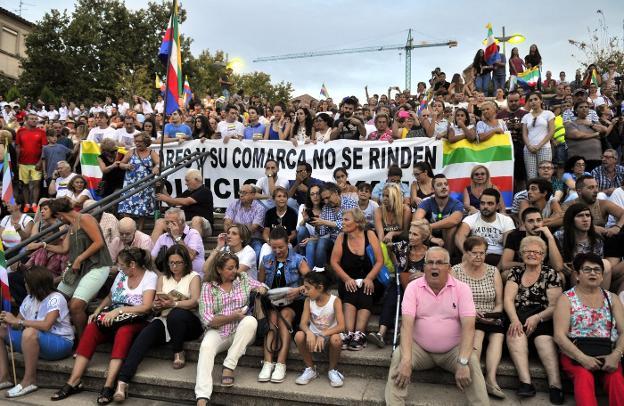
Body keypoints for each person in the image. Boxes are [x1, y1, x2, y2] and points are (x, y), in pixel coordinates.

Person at [51, 248, 156, 404]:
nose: (118, 268)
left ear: (132, 264)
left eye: (121, 265)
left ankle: (108, 385)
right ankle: (74, 380)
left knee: (124, 332)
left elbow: (146, 306)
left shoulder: (150, 276)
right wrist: (98, 311)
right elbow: (110, 296)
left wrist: (119, 311)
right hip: (114, 317)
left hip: (136, 319)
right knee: (92, 327)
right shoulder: (122, 275)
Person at [385, 247, 488, 405]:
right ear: (424, 267)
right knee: (399, 356)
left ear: (449, 267)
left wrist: (462, 362)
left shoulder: (462, 289)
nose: (434, 267)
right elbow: (406, 326)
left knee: (471, 360)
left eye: (440, 263)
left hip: (453, 351)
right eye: (430, 262)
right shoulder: (413, 288)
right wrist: (406, 360)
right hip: (420, 350)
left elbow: (469, 328)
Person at [113, 245, 202, 403]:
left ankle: (178, 351)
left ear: (186, 262)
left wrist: (173, 304)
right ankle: (122, 381)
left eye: (178, 263)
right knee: (145, 335)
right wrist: (156, 305)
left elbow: (194, 301)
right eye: (171, 263)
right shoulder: (162, 278)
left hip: (189, 322)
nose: (174, 266)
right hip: (165, 319)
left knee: (176, 314)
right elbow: (156, 303)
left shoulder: (194, 276)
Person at [194, 252, 266, 405]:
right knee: (206, 347)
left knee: (250, 321)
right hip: (219, 330)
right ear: (219, 269)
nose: (234, 271)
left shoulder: (243, 279)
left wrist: (261, 291)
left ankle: (229, 365)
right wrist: (232, 317)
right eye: (230, 268)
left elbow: (262, 286)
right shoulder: (208, 286)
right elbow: (208, 319)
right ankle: (202, 396)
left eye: (235, 267)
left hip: (242, 330)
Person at [553, 253, 624, 406]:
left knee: (616, 378)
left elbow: (623, 331)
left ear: (602, 276)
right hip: (575, 353)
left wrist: (616, 355)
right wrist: (582, 358)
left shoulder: (612, 298)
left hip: (607, 351)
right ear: (577, 275)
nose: (593, 273)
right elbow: (559, 336)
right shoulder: (567, 299)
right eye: (587, 269)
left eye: (597, 270)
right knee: (583, 376)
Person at [504, 236, 564, 402]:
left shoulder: (550, 274)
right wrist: (515, 320)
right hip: (518, 314)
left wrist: (537, 317)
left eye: (536, 252)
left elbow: (554, 306)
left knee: (544, 341)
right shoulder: (515, 272)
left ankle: (555, 384)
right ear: (521, 254)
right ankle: (526, 383)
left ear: (543, 255)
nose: (531, 254)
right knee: (514, 333)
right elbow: (508, 300)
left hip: (543, 317)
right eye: (527, 251)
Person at [0, 266, 74, 398]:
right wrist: (8, 320)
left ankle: (29, 381)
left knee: (29, 332)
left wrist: (19, 323)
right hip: (35, 342)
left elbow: (46, 325)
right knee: (1, 330)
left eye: (26, 282)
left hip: (60, 343)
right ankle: (4, 377)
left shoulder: (56, 298)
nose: (25, 285)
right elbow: (17, 323)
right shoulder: (29, 298)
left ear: (35, 284)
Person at [47, 198, 113, 338]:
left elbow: (99, 242)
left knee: (75, 306)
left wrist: (79, 258)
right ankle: (62, 332)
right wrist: (43, 245)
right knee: (57, 298)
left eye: (57, 217)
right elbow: (64, 249)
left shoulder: (85, 218)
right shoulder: (71, 226)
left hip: (97, 266)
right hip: (80, 269)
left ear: (59, 214)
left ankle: (83, 341)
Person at [451, 237, 505, 399]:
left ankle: (491, 379)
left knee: (498, 335)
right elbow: (452, 302)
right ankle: (476, 380)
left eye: (482, 253)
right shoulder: (456, 271)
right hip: (467, 316)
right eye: (475, 253)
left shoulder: (492, 271)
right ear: (466, 253)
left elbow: (500, 303)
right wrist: (472, 313)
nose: (479, 257)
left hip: (491, 315)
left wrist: (493, 314)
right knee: (479, 334)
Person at [258, 227, 310, 383]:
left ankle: (281, 363)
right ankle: (267, 363)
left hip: (294, 302)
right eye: (274, 247)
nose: (277, 250)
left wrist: (298, 290)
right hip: (273, 302)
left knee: (284, 316)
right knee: (273, 318)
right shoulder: (266, 259)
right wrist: (261, 288)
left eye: (280, 247)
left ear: (288, 243)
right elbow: (260, 282)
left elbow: (312, 283)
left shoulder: (299, 260)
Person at [330, 208, 383, 351]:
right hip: (348, 279)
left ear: (358, 222)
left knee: (366, 290)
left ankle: (359, 334)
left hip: (370, 279)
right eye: (343, 220)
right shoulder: (342, 237)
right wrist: (347, 279)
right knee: (351, 289)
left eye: (346, 220)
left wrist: (370, 278)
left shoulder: (370, 234)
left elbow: (379, 261)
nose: (343, 223)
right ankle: (349, 333)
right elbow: (334, 262)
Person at [294, 271, 346, 387]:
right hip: (312, 340)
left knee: (336, 339)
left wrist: (323, 334)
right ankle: (310, 369)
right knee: (299, 335)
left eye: (308, 288)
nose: (305, 292)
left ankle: (332, 370)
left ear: (320, 287)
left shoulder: (335, 300)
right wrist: (309, 332)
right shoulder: (308, 301)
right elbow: (303, 324)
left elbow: (342, 326)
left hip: (328, 339)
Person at [455, 188, 515, 266]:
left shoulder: (506, 220)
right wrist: (466, 253)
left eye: (490, 203)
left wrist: (499, 267)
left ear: (497, 206)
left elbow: (508, 246)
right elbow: (459, 236)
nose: (485, 206)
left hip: (497, 257)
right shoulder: (471, 218)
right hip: (475, 256)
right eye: (482, 203)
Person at [501, 207, 564, 276]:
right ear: (524, 224)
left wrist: (550, 238)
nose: (536, 224)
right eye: (530, 221)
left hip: (543, 272)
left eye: (539, 220)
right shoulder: (514, 236)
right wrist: (530, 265)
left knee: (560, 275)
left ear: (542, 222)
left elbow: (558, 267)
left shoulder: (549, 237)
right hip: (522, 270)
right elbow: (505, 264)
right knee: (505, 274)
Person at [117, 132, 160, 230]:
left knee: (142, 210)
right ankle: (127, 228)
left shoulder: (151, 152)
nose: (137, 143)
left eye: (140, 141)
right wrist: (126, 165)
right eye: (136, 141)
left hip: (145, 186)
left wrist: (156, 167)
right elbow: (121, 164)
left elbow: (159, 162)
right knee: (126, 208)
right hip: (131, 184)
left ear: (146, 142)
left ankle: (139, 230)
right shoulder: (131, 152)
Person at [155, 168, 214, 239]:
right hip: (186, 224)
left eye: (187, 180)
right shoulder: (188, 192)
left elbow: (186, 201)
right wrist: (162, 189)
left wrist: (166, 198)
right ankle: (150, 249)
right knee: (160, 222)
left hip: (203, 226)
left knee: (196, 219)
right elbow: (172, 203)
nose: (186, 183)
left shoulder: (205, 191)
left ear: (196, 179)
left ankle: (195, 248)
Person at [414, 174, 465, 254]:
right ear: (433, 189)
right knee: (421, 221)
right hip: (429, 236)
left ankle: (448, 259)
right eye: (439, 185)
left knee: (450, 227)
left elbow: (454, 220)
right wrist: (431, 238)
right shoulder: (427, 202)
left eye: (446, 184)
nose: (444, 187)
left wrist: (429, 226)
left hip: (450, 239)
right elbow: (416, 221)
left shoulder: (456, 203)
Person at [312, 183, 358, 268]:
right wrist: (316, 224)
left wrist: (325, 222)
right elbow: (322, 232)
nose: (326, 201)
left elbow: (348, 225)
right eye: (324, 199)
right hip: (332, 240)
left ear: (336, 192)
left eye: (328, 197)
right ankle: (320, 272)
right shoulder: (326, 207)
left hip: (348, 239)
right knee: (321, 242)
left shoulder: (350, 204)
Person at [151, 207, 205, 277]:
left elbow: (190, 257)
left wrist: (177, 237)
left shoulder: (193, 234)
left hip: (193, 277)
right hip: (170, 277)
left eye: (172, 223)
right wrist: (160, 275)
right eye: (167, 223)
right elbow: (151, 260)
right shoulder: (163, 237)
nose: (169, 226)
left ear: (182, 222)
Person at [223, 183, 266, 259]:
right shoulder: (233, 204)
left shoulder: (260, 208)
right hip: (234, 237)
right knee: (224, 253)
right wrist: (235, 233)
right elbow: (227, 224)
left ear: (253, 195)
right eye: (240, 192)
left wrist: (235, 227)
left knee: (257, 251)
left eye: (244, 193)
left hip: (253, 238)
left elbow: (253, 228)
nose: (241, 195)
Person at [15, 113, 47, 212]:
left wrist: (40, 161)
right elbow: (18, 147)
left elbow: (44, 148)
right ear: (26, 120)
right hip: (23, 163)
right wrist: (17, 161)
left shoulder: (41, 132)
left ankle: (34, 204)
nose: (34, 120)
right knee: (25, 184)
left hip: (36, 163)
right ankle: (27, 204)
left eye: (36, 119)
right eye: (32, 119)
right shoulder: (20, 131)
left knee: (36, 183)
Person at [522, 92, 555, 179]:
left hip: (544, 147)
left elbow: (551, 131)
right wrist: (529, 146)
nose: (533, 102)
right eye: (530, 100)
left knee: (545, 175)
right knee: (531, 176)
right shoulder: (526, 116)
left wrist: (539, 146)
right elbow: (524, 134)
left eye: (535, 99)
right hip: (529, 149)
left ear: (541, 101)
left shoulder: (548, 114)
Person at [564, 101, 605, 172]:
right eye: (581, 107)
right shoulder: (571, 124)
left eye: (586, 107)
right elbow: (577, 135)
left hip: (596, 159)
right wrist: (595, 134)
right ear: (576, 110)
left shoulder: (592, 124)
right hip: (578, 161)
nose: (584, 109)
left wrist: (590, 124)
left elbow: (604, 130)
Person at [296, 184, 324, 268]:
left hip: (319, 239)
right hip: (305, 237)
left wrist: (312, 238)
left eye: (318, 193)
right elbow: (298, 228)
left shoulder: (326, 209)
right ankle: (301, 253)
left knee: (310, 244)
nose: (315, 196)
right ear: (309, 196)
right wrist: (305, 220)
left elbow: (326, 234)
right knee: (302, 229)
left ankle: (309, 274)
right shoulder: (303, 207)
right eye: (312, 194)